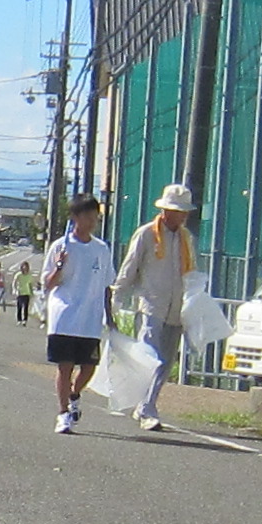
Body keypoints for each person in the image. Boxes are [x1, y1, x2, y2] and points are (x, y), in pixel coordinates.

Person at [112, 182, 201, 433]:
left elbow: (191, 271)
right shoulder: (147, 234)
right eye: (178, 211)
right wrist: (117, 296)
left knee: (166, 361)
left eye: (184, 212)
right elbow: (130, 267)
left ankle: (146, 404)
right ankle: (147, 408)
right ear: (165, 211)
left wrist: (194, 301)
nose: (182, 216)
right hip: (151, 304)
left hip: (177, 309)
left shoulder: (186, 239)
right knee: (149, 357)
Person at [41, 192, 114, 434]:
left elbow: (106, 285)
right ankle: (63, 413)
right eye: (87, 216)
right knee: (64, 366)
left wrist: (109, 316)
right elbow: (48, 283)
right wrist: (60, 265)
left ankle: (74, 393)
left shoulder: (101, 249)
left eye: (96, 216)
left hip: (91, 319)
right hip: (64, 315)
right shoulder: (61, 246)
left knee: (89, 366)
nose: (92, 221)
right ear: (75, 217)